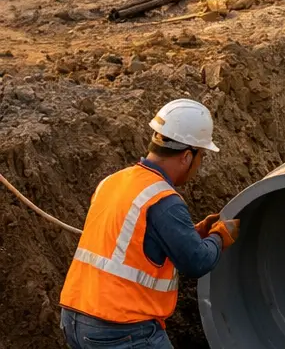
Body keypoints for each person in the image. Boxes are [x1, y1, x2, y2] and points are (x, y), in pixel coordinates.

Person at [59, 99, 240, 349]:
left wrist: (192, 234)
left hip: (75, 319)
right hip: (120, 328)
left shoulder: (114, 182)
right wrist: (220, 236)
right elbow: (197, 262)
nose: (198, 166)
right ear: (187, 157)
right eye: (201, 157)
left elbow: (131, 244)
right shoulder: (164, 200)